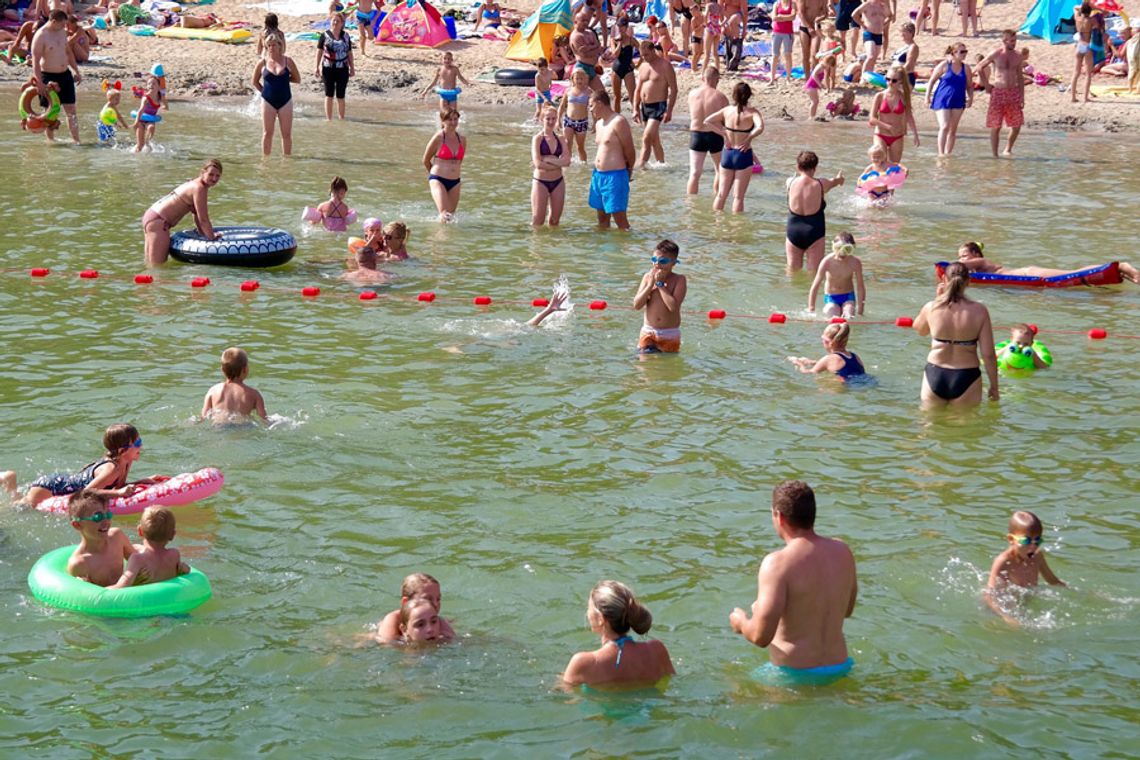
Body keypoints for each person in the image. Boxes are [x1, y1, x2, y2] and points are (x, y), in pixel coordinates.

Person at [729, 480, 858, 684]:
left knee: (732, 690)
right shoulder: (843, 551)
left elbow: (760, 637)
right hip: (840, 668)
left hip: (793, 677)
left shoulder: (777, 563)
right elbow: (847, 610)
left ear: (779, 517)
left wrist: (741, 622)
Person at [913, 260, 998, 407]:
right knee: (964, 428)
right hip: (967, 375)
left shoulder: (931, 307)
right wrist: (994, 386)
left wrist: (937, 299)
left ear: (944, 280)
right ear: (968, 282)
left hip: (935, 372)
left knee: (929, 427)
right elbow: (988, 354)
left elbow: (920, 330)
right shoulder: (980, 311)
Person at [561, 580, 675, 687]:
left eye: (589, 608)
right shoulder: (657, 651)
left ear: (600, 618)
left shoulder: (583, 663)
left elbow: (566, 697)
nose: (587, 612)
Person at [7, 423, 150, 508]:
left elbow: (118, 487)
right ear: (122, 450)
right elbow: (85, 494)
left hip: (66, 482)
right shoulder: (111, 469)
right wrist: (118, 494)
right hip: (50, 488)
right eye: (137, 444)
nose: (141, 446)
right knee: (18, 507)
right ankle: (9, 480)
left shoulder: (125, 462)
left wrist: (141, 481)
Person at [985, 511, 1066, 626]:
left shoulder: (1037, 556)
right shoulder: (1003, 561)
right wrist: (1006, 617)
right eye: (1026, 541)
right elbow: (989, 595)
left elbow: (1052, 580)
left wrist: (1081, 593)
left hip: (1024, 603)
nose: (1033, 546)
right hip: (1000, 609)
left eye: (1037, 540)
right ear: (1011, 539)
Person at [141, 158, 222, 266]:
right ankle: (156, 283)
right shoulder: (199, 188)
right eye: (211, 174)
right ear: (203, 172)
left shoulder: (194, 183)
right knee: (158, 267)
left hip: (152, 216)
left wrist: (203, 234)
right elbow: (204, 219)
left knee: (150, 264)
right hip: (159, 222)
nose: (214, 178)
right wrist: (212, 238)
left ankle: (146, 283)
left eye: (217, 176)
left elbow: (197, 215)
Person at [955, 240, 1140, 284]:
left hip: (1028, 274)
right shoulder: (976, 268)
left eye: (963, 255)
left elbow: (959, 267)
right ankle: (1119, 272)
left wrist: (947, 268)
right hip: (1026, 275)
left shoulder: (979, 261)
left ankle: (1122, 266)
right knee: (1075, 277)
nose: (961, 259)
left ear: (975, 253)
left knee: (1071, 273)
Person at [704, 82, 764, 214]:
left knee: (721, 194)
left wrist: (723, 133)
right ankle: (736, 228)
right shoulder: (752, 112)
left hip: (728, 153)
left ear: (734, 95)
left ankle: (717, 223)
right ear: (749, 96)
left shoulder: (726, 110)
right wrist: (749, 138)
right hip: (743, 154)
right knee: (738, 197)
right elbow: (760, 127)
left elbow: (707, 121)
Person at [785, 150, 844, 273]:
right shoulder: (821, 184)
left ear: (797, 166)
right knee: (814, 273)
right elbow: (835, 182)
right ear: (815, 168)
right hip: (814, 231)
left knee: (792, 271)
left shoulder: (790, 182)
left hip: (793, 231)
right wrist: (840, 180)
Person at [107, 506, 190, 589]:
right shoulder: (174, 554)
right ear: (172, 535)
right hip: (169, 598)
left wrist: (100, 591)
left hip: (144, 600)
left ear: (140, 531)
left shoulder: (137, 559)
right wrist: (186, 570)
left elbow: (121, 587)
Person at [30, 9, 81, 143]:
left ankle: (77, 141)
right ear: (53, 21)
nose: (65, 27)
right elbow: (35, 61)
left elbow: (68, 52)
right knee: (50, 112)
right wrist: (39, 82)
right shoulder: (41, 36)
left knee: (71, 110)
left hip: (65, 75)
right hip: (48, 77)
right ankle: (51, 142)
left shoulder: (61, 32)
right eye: (62, 24)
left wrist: (76, 70)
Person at [66, 491, 135, 587]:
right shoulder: (79, 564)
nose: (106, 521)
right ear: (77, 525)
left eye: (108, 515)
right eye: (98, 517)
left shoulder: (117, 537)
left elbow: (137, 561)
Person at [588, 89, 635, 230]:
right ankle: (604, 250)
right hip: (598, 176)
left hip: (615, 176)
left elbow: (630, 151)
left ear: (600, 103)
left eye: (591, 105)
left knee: (620, 220)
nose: (590, 109)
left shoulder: (618, 121)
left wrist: (629, 173)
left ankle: (623, 249)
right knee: (602, 219)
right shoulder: (598, 124)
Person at [633, 240, 687, 353]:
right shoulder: (647, 277)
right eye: (654, 260)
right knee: (645, 366)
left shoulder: (679, 280)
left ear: (674, 263)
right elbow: (637, 305)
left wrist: (660, 285)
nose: (657, 264)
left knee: (666, 366)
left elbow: (673, 307)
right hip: (648, 331)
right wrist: (649, 286)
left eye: (663, 261)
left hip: (669, 333)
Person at [977, 30, 1025, 157]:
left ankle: (1008, 149)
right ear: (1004, 41)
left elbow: (1020, 77)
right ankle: (994, 155)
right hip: (998, 91)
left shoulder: (1018, 56)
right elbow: (979, 67)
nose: (1014, 43)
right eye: (1012, 41)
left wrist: (1022, 96)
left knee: (1016, 125)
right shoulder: (996, 54)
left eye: (1015, 40)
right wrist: (986, 85)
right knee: (996, 125)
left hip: (1013, 92)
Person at [253, 32, 300, 157]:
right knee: (267, 133)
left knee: (286, 134)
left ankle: (287, 160)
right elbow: (255, 81)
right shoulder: (262, 63)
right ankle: (265, 160)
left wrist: (283, 80)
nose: (272, 48)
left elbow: (297, 79)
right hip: (268, 101)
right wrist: (264, 92)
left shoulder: (288, 61)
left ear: (280, 45)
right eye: (269, 45)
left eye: (274, 45)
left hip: (285, 101)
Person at [632, 40, 678, 168]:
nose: (644, 58)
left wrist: (669, 111)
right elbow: (638, 89)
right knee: (654, 140)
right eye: (642, 55)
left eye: (646, 55)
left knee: (646, 137)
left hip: (658, 106)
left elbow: (674, 89)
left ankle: (641, 167)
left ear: (653, 51)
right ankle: (662, 165)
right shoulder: (643, 66)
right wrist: (635, 108)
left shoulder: (665, 66)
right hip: (645, 107)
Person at [375, 572, 456, 642]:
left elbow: (455, 641)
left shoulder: (438, 620)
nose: (435, 604)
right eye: (427, 599)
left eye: (438, 599)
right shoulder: (393, 619)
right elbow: (387, 645)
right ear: (406, 602)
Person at [687, 66, 728, 195]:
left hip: (696, 134)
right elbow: (727, 119)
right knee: (719, 170)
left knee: (694, 172)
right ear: (717, 80)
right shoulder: (720, 96)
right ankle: (717, 200)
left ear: (702, 78)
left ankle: (691, 205)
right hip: (715, 134)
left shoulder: (692, 94)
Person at [926, 43, 973, 156]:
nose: (964, 54)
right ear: (954, 53)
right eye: (961, 52)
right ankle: (941, 153)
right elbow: (932, 80)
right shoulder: (945, 65)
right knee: (945, 126)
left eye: (965, 51)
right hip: (942, 99)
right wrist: (927, 96)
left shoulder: (966, 68)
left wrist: (970, 98)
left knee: (953, 129)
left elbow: (969, 85)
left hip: (958, 99)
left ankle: (948, 154)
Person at [201, 347, 269, 424]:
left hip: (220, 426)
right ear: (245, 369)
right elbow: (264, 420)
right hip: (242, 427)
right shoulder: (254, 394)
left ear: (222, 369)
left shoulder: (213, 391)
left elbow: (203, 417)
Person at [868, 63, 919, 163]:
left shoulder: (904, 97)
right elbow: (872, 119)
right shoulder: (880, 96)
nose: (890, 83)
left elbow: (909, 116)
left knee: (894, 166)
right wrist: (888, 127)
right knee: (879, 163)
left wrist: (915, 134)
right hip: (880, 134)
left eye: (894, 80)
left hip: (897, 136)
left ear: (900, 81)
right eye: (887, 79)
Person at [807, 232, 865, 318]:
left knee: (849, 315)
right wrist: (811, 309)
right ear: (833, 247)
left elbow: (860, 287)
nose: (842, 253)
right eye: (838, 248)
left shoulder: (855, 263)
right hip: (831, 297)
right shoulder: (827, 262)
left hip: (848, 296)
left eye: (847, 249)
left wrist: (860, 310)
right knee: (832, 315)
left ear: (853, 248)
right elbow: (815, 286)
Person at [422, 110, 466, 222]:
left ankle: (448, 238)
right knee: (444, 214)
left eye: (455, 119)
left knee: (451, 218)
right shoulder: (439, 137)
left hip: (455, 182)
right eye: (449, 119)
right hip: (438, 179)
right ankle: (439, 239)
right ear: (443, 121)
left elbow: (459, 161)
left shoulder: (462, 139)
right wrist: (434, 176)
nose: (453, 122)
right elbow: (425, 160)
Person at [788, 321, 868, 382]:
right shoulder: (855, 356)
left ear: (829, 343)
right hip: (867, 381)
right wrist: (812, 362)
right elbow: (840, 366)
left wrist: (799, 363)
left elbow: (807, 373)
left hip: (848, 386)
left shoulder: (828, 359)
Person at [531, 105, 571, 226]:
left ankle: (553, 244)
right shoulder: (537, 139)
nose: (551, 121)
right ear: (542, 119)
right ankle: (537, 244)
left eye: (554, 118)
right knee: (538, 220)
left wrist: (548, 159)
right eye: (548, 119)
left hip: (558, 182)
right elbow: (538, 164)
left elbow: (567, 161)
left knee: (555, 221)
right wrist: (558, 164)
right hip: (541, 181)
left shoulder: (561, 139)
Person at [316, 12, 354, 120]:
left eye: (338, 21)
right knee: (329, 94)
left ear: (342, 23)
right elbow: (319, 52)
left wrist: (352, 68)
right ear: (330, 21)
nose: (335, 23)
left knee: (341, 95)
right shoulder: (324, 35)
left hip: (343, 68)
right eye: (334, 20)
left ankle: (341, 118)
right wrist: (316, 66)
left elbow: (349, 53)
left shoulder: (346, 36)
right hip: (328, 68)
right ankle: (329, 119)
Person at [558, 67, 592, 162]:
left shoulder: (589, 92)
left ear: (585, 79)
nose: (579, 80)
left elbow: (594, 108)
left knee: (580, 147)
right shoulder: (568, 91)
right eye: (577, 78)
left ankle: (583, 165)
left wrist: (595, 122)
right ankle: (566, 164)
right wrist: (558, 120)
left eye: (581, 78)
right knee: (567, 144)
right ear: (573, 79)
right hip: (568, 121)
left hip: (582, 122)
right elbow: (562, 106)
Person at [570, 8, 605, 92]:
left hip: (591, 68)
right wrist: (594, 47)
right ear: (575, 22)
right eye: (583, 20)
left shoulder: (590, 32)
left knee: (601, 93)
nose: (585, 22)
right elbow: (584, 54)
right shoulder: (576, 36)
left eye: (586, 20)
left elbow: (599, 47)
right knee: (579, 95)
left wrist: (589, 48)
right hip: (582, 67)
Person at [851, 0, 890, 75]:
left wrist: (884, 24)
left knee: (874, 58)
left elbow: (890, 16)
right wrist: (862, 24)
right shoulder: (867, 4)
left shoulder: (883, 5)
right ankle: (863, 76)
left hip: (878, 34)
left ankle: (870, 75)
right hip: (869, 34)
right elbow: (854, 15)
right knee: (871, 56)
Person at [130, 73, 163, 153]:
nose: (151, 85)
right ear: (147, 87)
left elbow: (162, 107)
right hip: (141, 120)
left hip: (150, 120)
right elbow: (141, 110)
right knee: (140, 145)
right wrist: (136, 122)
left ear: (158, 87)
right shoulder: (145, 98)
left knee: (151, 127)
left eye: (154, 83)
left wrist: (161, 112)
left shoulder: (159, 98)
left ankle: (147, 143)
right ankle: (136, 155)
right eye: (149, 84)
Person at [610, 14, 637, 113]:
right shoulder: (614, 40)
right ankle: (617, 118)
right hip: (616, 69)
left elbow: (642, 51)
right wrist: (620, 43)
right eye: (619, 26)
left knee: (632, 95)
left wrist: (638, 64)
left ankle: (636, 116)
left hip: (628, 69)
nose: (621, 28)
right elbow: (615, 54)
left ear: (626, 27)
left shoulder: (631, 40)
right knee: (617, 97)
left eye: (623, 26)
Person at [1071, 2, 1096, 103]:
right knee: (1088, 74)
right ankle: (1085, 97)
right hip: (1087, 45)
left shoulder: (1077, 18)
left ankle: (1073, 97)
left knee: (1076, 73)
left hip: (1078, 46)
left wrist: (1081, 7)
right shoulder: (1090, 20)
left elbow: (1074, 7)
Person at [804, 55, 835, 119]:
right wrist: (820, 84)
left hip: (813, 86)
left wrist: (821, 85)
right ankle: (811, 117)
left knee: (816, 101)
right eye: (829, 65)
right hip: (810, 86)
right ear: (826, 62)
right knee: (814, 101)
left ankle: (812, 116)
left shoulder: (823, 67)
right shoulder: (820, 66)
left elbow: (820, 77)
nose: (829, 67)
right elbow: (814, 74)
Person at [893, 21, 919, 86]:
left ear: (911, 33)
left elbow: (908, 65)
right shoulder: (904, 46)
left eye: (904, 32)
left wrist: (895, 74)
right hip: (897, 77)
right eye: (901, 32)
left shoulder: (913, 47)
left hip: (905, 78)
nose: (901, 34)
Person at [701, 0, 723, 73]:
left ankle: (703, 72)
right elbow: (722, 18)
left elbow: (705, 15)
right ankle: (718, 70)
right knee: (715, 53)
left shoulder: (709, 5)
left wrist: (705, 23)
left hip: (710, 28)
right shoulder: (719, 6)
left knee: (706, 53)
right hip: (717, 28)